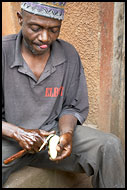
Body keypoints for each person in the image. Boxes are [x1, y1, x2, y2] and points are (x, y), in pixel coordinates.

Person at [2, 2, 125, 188]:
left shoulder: (68, 54)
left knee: (109, 146)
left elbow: (72, 106)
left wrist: (67, 134)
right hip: (8, 139)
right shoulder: (4, 51)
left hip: (52, 134)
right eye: (35, 28)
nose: (45, 38)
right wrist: (18, 133)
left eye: (54, 30)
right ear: (20, 19)